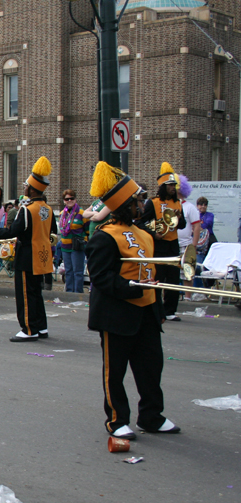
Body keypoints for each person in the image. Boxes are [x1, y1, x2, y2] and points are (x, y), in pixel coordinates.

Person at [85, 161, 180, 440]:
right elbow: (101, 278)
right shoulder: (104, 237)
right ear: (124, 205)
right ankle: (116, 420)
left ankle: (151, 417)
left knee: (151, 367)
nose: (142, 205)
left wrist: (157, 306)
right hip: (117, 313)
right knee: (114, 372)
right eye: (137, 201)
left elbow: (151, 270)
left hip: (147, 311)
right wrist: (134, 287)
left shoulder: (144, 233)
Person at [0, 157, 56, 342]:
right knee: (36, 292)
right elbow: (53, 232)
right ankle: (41, 326)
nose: (24, 188)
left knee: (26, 294)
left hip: (28, 255)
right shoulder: (48, 208)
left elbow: (12, 231)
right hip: (42, 255)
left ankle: (29, 329)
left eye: (26, 185)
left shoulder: (27, 209)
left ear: (32, 189)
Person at [138, 162, 187, 321]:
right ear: (163, 187)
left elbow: (183, 225)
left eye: (174, 185)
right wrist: (154, 234)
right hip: (158, 245)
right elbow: (141, 223)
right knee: (158, 279)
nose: (173, 188)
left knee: (173, 280)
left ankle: (170, 311)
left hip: (172, 245)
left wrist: (178, 219)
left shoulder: (178, 203)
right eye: (170, 185)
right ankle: (156, 309)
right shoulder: (153, 202)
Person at [175, 176, 201, 301]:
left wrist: (194, 245)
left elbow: (197, 226)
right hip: (172, 243)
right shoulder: (170, 205)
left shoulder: (190, 207)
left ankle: (188, 297)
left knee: (187, 273)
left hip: (186, 244)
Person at [59, 189, 87, 293]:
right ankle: (69, 292)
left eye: (72, 198)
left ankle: (78, 293)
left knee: (78, 272)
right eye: (67, 199)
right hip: (65, 247)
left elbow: (87, 230)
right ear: (64, 200)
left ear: (75, 199)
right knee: (68, 271)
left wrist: (85, 242)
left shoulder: (82, 213)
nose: (69, 200)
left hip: (77, 247)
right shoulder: (62, 214)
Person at [194, 197, 215, 290]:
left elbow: (207, 224)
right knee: (198, 264)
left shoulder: (210, 215)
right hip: (197, 240)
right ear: (197, 205)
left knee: (209, 263)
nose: (203, 206)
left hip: (209, 239)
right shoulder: (195, 214)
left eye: (205, 204)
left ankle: (209, 283)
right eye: (201, 204)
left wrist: (197, 227)